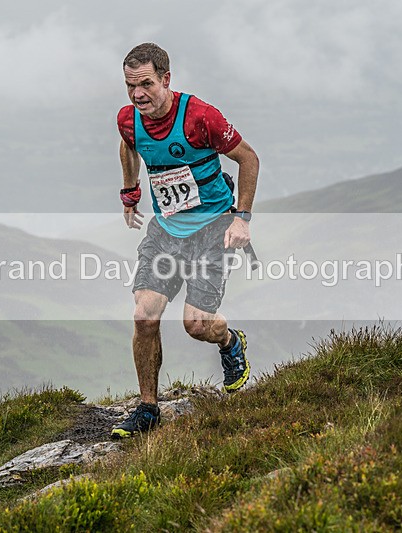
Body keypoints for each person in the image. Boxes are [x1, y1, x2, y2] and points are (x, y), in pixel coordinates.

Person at [111, 43, 260, 438]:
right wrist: (130, 193)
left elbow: (248, 159)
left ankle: (229, 341)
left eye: (145, 84)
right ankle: (147, 408)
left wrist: (242, 219)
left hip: (212, 230)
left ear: (166, 79)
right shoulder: (129, 119)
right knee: (144, 315)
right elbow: (130, 147)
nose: (137, 94)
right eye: (130, 86)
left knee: (196, 325)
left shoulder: (199, 116)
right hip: (165, 232)